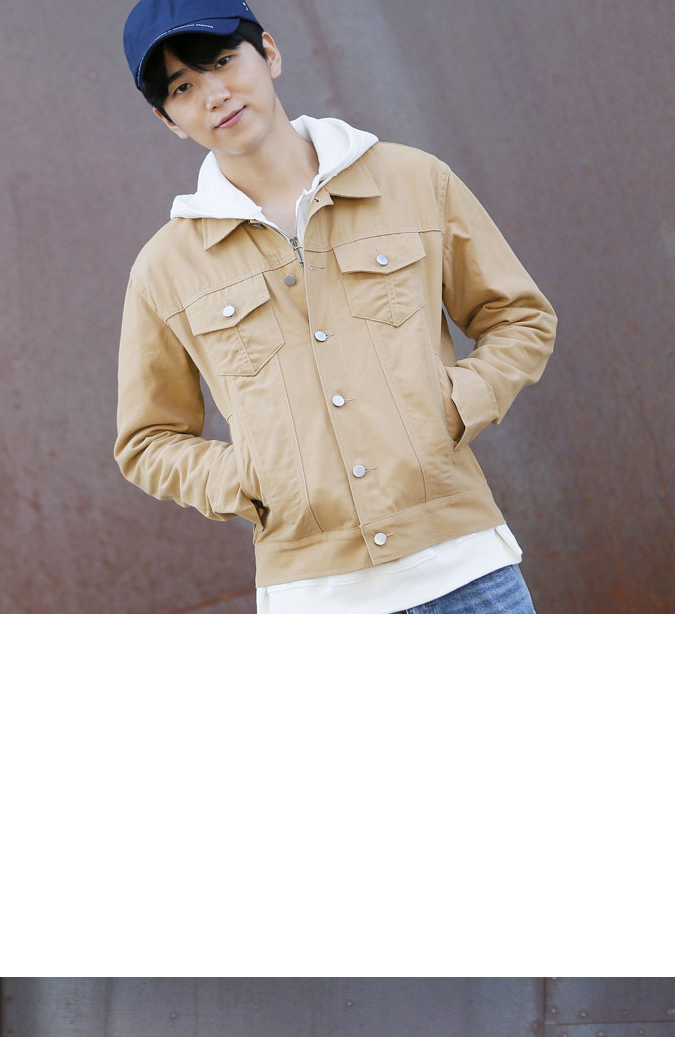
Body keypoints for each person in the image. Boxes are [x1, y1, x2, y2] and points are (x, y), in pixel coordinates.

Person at [117, 17, 555, 613]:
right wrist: (248, 477)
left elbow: (519, 318)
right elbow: (147, 440)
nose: (214, 94)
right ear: (167, 119)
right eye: (182, 87)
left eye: (222, 61)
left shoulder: (412, 180)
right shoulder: (165, 268)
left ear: (269, 53)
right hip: (314, 603)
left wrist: (450, 407)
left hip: (465, 572)